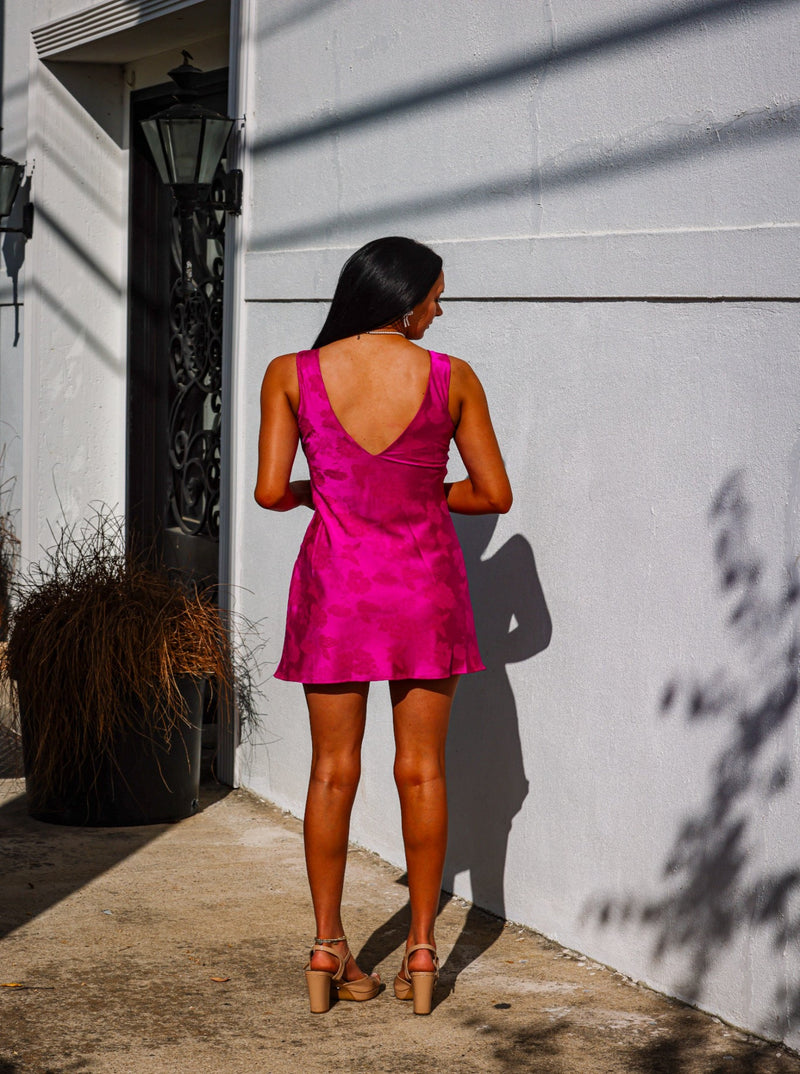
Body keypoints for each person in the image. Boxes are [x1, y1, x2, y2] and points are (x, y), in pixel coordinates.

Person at [254, 236, 512, 1015]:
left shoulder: (291, 374)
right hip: (424, 586)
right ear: (402, 299)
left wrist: (327, 491)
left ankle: (328, 947)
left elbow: (268, 493)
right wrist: (422, 499)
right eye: (436, 294)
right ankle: (425, 952)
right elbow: (493, 494)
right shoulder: (451, 377)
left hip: (338, 587)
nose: (440, 308)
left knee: (333, 770)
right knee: (422, 771)